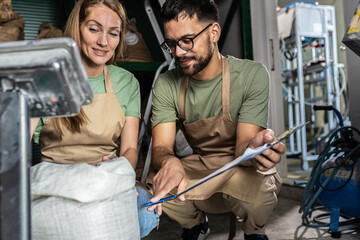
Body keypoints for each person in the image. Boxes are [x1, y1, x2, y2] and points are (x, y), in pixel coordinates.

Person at [145, 0, 285, 240]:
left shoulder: (252, 75)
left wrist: (255, 149)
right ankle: (196, 225)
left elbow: (242, 147)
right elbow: (161, 147)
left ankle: (254, 232)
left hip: (237, 165)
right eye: (171, 44)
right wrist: (170, 161)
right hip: (200, 166)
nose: (178, 52)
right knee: (154, 188)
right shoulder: (167, 84)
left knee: (263, 186)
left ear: (214, 32)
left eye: (187, 40)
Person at [30, 0, 158, 238]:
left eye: (113, 33)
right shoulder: (47, 78)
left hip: (105, 177)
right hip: (56, 181)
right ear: (77, 29)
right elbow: (17, 144)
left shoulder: (126, 82)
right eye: (94, 29)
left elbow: (130, 148)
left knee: (146, 211)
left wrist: (117, 169)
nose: (103, 42)